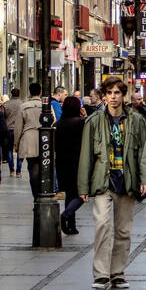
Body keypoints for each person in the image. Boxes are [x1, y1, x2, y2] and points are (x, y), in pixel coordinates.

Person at [77, 77, 146, 290]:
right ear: (104, 96)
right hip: (103, 180)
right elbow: (86, 156)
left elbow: (145, 153)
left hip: (126, 180)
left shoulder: (137, 120)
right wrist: (83, 187)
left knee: (123, 230)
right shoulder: (93, 121)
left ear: (123, 95)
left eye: (117, 92)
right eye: (109, 93)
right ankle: (101, 274)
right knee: (102, 225)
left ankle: (117, 272)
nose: (113, 97)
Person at [56, 95, 86, 234]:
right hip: (78, 161)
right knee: (82, 193)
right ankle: (66, 215)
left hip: (62, 162)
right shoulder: (81, 123)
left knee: (70, 193)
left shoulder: (57, 124)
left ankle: (71, 225)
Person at [16, 82, 45, 196]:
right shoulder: (46, 106)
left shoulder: (24, 106)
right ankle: (43, 192)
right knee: (45, 168)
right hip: (44, 139)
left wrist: (17, 145)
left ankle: (36, 196)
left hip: (29, 139)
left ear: (29, 93)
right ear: (41, 92)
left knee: (32, 169)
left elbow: (18, 127)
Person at [1, 85, 26, 176]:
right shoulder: (23, 104)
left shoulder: (5, 105)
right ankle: (18, 171)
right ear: (19, 94)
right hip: (20, 129)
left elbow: (2, 118)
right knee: (20, 150)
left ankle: (11, 170)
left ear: (11, 94)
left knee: (9, 150)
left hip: (9, 129)